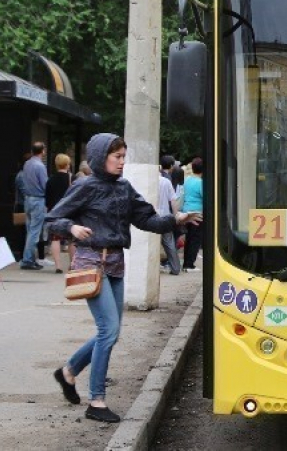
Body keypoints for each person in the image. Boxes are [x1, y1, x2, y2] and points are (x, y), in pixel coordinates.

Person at [46, 133, 201, 423]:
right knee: (108, 330)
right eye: (116, 156)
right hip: (91, 264)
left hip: (115, 265)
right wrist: (73, 228)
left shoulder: (124, 187)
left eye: (123, 156)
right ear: (99, 157)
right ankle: (97, 401)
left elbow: (147, 219)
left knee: (112, 332)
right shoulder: (84, 186)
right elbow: (53, 218)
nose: (121, 162)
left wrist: (176, 219)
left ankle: (68, 372)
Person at [45, 153, 75, 273]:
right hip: (69, 211)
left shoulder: (50, 179)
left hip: (54, 211)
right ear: (67, 164)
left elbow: (47, 199)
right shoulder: (72, 178)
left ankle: (58, 266)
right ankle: (72, 264)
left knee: (55, 239)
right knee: (71, 239)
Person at [20, 142, 48, 270]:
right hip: (38, 199)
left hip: (28, 199)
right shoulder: (40, 166)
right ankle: (27, 260)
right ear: (42, 151)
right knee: (35, 231)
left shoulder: (27, 164)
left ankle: (29, 258)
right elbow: (45, 185)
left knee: (30, 230)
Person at [157, 155, 181, 275]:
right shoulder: (166, 181)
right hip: (165, 216)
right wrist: (175, 215)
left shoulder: (148, 181)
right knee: (169, 243)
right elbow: (173, 200)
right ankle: (176, 268)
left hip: (150, 218)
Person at [180, 158, 204, 272]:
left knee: (188, 239)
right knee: (195, 240)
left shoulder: (187, 179)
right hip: (197, 214)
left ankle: (186, 263)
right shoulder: (201, 183)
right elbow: (205, 198)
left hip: (186, 213)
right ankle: (190, 265)